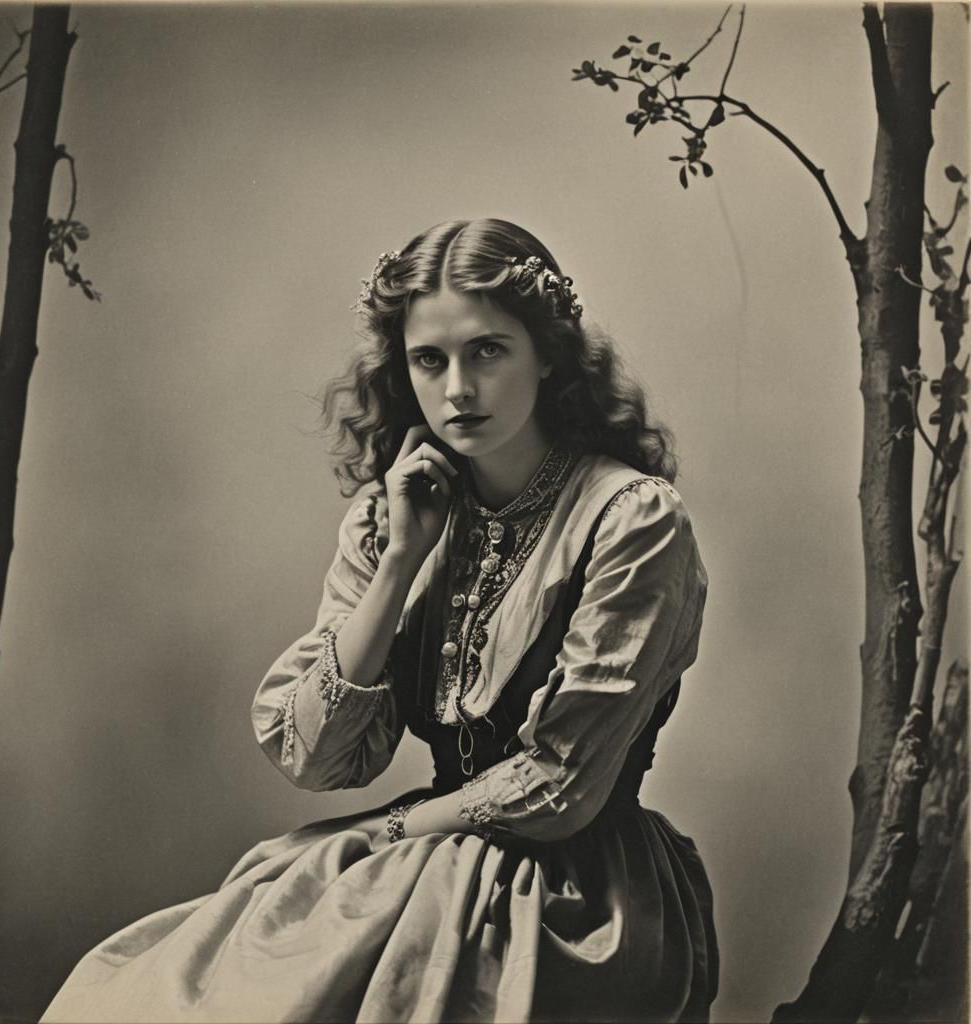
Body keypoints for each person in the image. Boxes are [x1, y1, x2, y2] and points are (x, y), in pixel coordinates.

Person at [43, 218, 718, 1023]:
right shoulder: (394, 516)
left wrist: (391, 831)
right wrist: (400, 561)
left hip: (582, 893)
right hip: (430, 857)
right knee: (161, 978)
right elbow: (319, 757)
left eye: (489, 351)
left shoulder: (631, 519)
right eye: (430, 360)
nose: (458, 389)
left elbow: (560, 787)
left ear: (547, 353)